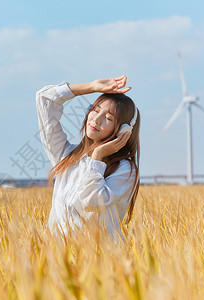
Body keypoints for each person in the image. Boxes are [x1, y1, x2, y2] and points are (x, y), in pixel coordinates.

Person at [35, 76, 140, 242]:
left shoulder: (124, 169)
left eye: (109, 118)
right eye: (96, 110)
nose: (96, 119)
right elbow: (44, 99)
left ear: (123, 131)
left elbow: (91, 202)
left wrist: (97, 157)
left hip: (103, 262)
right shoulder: (66, 155)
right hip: (60, 259)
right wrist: (90, 87)